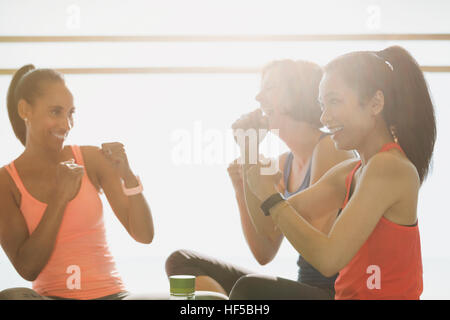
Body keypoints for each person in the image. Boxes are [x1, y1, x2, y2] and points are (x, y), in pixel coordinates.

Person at [245, 46, 436, 299]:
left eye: (334, 101)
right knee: (250, 289)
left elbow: (328, 259)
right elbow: (267, 225)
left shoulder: (390, 167)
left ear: (376, 103)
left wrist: (270, 196)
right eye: (322, 105)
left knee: (250, 291)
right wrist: (250, 160)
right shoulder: (351, 172)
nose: (324, 117)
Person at [166, 60, 354, 299]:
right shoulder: (283, 163)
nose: (258, 97)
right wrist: (243, 185)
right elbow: (264, 252)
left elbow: (318, 244)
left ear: (297, 92)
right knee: (182, 262)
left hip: (333, 293)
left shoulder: (330, 148)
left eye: (270, 87)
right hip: (305, 289)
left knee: (250, 288)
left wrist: (268, 193)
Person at [0, 65, 154, 300]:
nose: (66, 124)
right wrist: (60, 196)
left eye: (71, 113)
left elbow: (144, 235)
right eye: (55, 112)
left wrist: (128, 175)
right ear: (25, 110)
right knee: (11, 297)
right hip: (51, 297)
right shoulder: (6, 181)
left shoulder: (91, 159)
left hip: (113, 296)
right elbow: (27, 268)